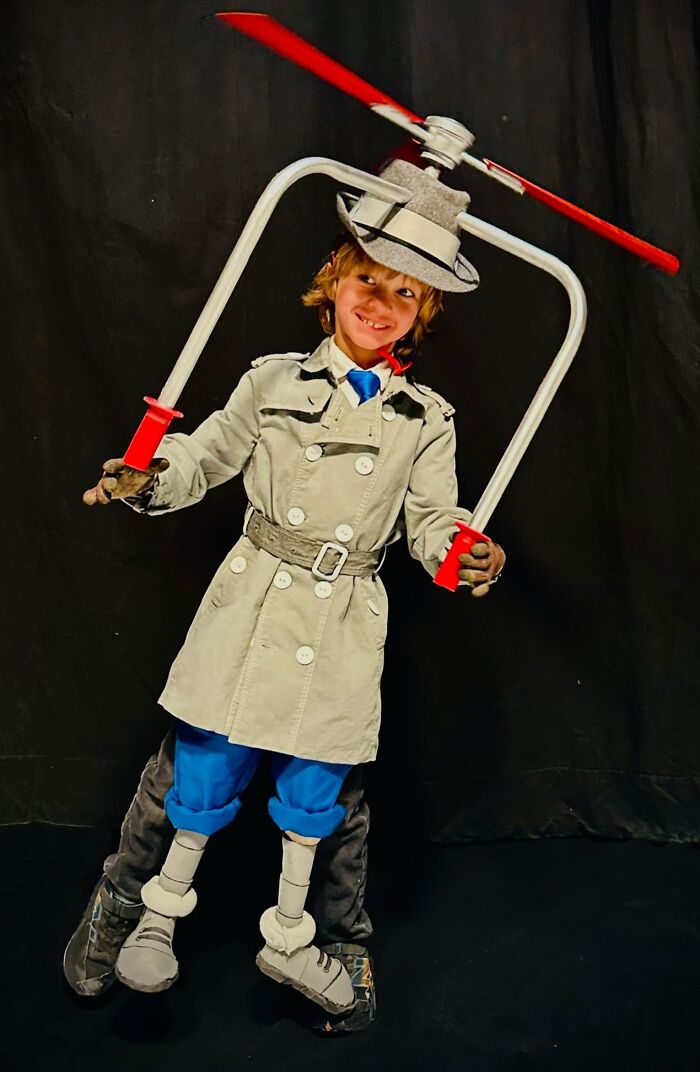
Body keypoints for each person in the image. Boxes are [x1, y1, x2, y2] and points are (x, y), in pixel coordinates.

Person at [66, 159, 505, 1025]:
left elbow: (432, 522)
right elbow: (205, 459)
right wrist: (149, 475)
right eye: (368, 281)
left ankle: (324, 937)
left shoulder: (428, 419)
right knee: (192, 765)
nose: (379, 305)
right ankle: (131, 908)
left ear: (425, 313)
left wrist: (462, 553)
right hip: (255, 599)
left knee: (329, 793)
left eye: (405, 295)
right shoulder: (272, 381)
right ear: (335, 279)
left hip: (342, 620)